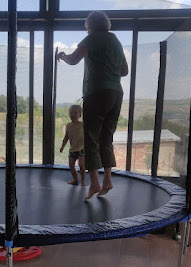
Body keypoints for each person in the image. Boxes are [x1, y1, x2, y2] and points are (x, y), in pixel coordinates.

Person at [57, 11, 129, 200]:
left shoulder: (91, 39)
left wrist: (63, 55)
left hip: (96, 92)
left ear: (90, 26)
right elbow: (124, 71)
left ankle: (95, 183)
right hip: (116, 94)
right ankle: (107, 180)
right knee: (106, 138)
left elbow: (73, 60)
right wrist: (108, 68)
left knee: (91, 138)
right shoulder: (115, 41)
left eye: (87, 25)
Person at [60, 105, 86, 186]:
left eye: (75, 113)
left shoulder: (83, 125)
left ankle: (83, 181)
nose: (73, 115)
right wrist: (62, 146)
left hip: (82, 149)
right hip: (72, 150)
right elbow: (66, 137)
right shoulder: (68, 125)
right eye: (71, 113)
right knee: (71, 166)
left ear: (80, 115)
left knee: (81, 165)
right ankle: (75, 180)